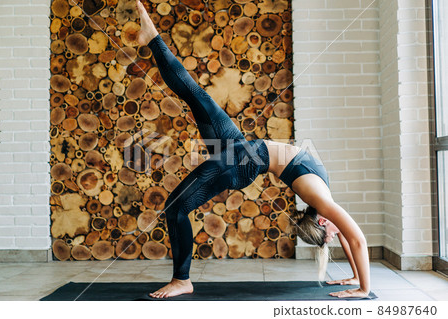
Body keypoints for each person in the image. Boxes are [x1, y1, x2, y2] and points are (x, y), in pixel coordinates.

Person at [135, 0, 370, 299]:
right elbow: (351, 240)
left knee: (176, 206)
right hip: (242, 149)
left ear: (323, 221)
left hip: (242, 161)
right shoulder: (324, 200)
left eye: (332, 231)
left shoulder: (321, 199)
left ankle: (182, 279)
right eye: (335, 234)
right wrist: (355, 278)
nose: (339, 233)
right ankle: (152, 37)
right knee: (195, 94)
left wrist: (362, 287)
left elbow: (355, 239)